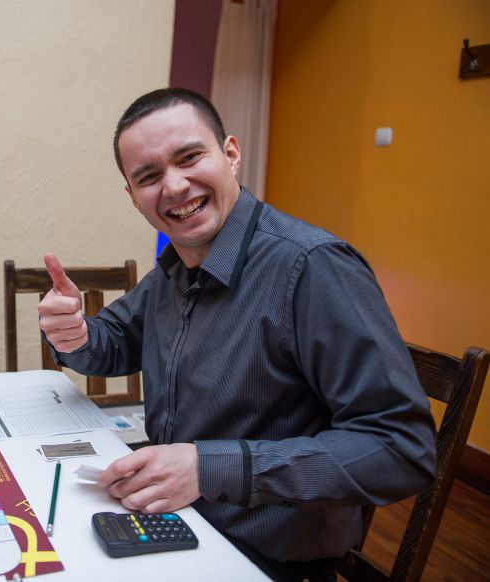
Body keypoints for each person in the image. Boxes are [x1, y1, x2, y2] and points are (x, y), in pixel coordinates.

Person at [38, 88, 435, 581]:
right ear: (133, 196)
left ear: (230, 154)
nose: (174, 186)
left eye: (189, 157)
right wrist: (75, 335)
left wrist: (207, 468)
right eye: (149, 176)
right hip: (178, 522)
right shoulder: (175, 269)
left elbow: (401, 449)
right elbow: (115, 342)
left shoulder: (313, 267)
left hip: (265, 558)